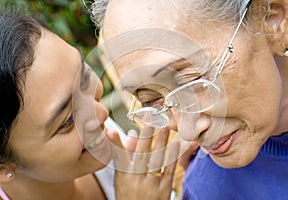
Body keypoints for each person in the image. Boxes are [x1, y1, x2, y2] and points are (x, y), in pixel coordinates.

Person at [92, 0, 288, 199]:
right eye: (151, 101)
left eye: (192, 82)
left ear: (274, 18)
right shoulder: (207, 191)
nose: (187, 131)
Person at [0, 2, 180, 200]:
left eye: (85, 79)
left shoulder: (96, 140)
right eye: (68, 120)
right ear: (3, 168)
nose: (101, 114)